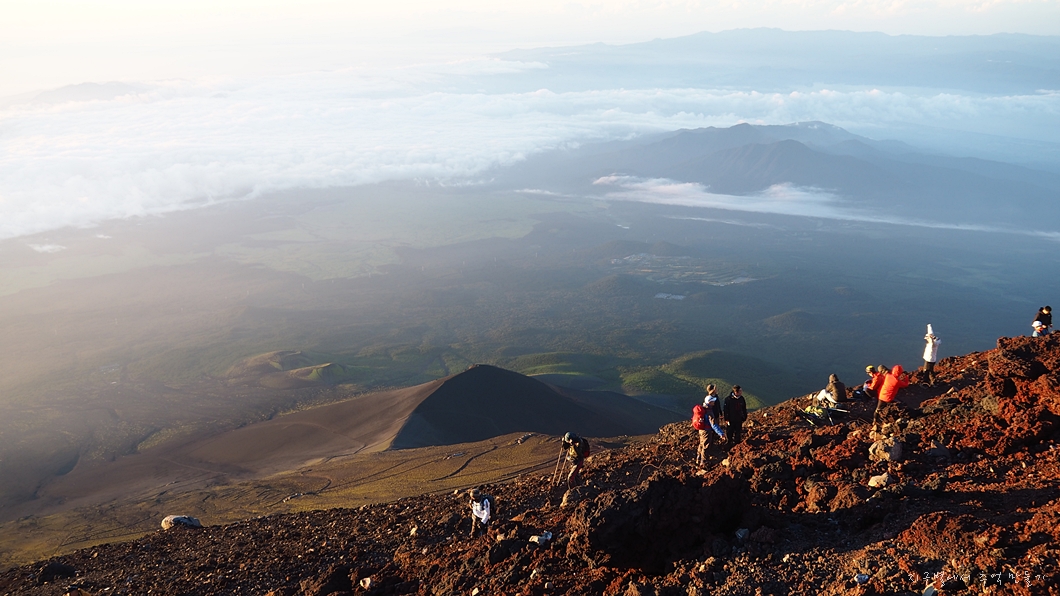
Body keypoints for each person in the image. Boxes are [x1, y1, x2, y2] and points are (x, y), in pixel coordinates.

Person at [694, 384, 726, 467]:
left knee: (701, 444)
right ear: (710, 402)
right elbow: (714, 425)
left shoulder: (703, 408)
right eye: (713, 401)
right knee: (706, 446)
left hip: (701, 429)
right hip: (707, 431)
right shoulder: (709, 412)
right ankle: (703, 462)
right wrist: (721, 433)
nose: (714, 403)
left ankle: (698, 459)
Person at [872, 364, 909, 431]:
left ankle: (874, 421)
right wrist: (906, 376)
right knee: (900, 405)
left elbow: (888, 372)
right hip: (889, 398)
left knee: (878, 409)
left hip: (882, 396)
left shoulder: (888, 375)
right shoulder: (897, 382)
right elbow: (906, 384)